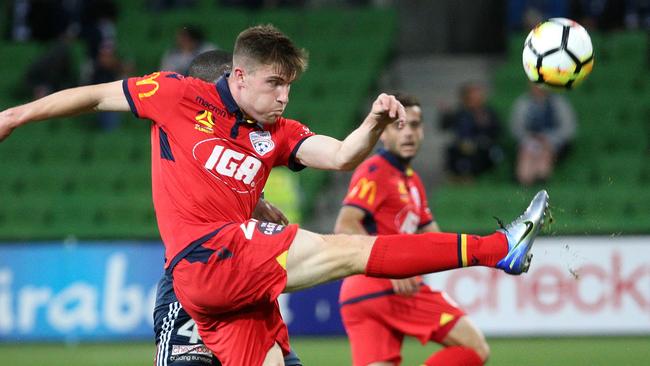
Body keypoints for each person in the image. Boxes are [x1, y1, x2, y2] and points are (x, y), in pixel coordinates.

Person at [0, 24, 549, 366]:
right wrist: (15, 114)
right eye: (275, 84)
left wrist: (375, 122)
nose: (284, 96)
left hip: (233, 287)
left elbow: (338, 156)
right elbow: (95, 97)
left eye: (289, 85)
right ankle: (496, 249)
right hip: (206, 258)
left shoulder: (276, 133)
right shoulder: (176, 96)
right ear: (238, 77)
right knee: (349, 251)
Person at [152, 49, 301, 366]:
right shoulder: (180, 125)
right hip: (191, 287)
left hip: (243, 281)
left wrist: (256, 203)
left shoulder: (243, 138)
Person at [335, 93, 489, 366]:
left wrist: (473, 253)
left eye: (415, 125)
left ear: (423, 130)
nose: (408, 133)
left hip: (358, 296)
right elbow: (345, 224)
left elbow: (435, 238)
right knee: (475, 348)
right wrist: (389, 265)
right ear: (383, 133)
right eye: (399, 125)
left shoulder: (412, 181)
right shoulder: (375, 169)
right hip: (387, 287)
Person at [510, 83, 576, 186]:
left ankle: (541, 178)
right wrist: (529, 138)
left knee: (545, 153)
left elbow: (567, 128)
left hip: (553, 142)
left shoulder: (558, 103)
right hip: (530, 141)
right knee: (527, 153)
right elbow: (517, 127)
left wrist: (549, 138)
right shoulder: (523, 103)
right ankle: (524, 180)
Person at [441, 82, 503, 181]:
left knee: (478, 152)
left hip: (483, 145)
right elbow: (445, 126)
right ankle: (456, 175)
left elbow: (497, 132)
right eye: (473, 97)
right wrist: (445, 114)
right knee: (452, 150)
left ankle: (471, 176)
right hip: (463, 145)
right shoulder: (461, 113)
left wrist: (484, 126)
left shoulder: (489, 113)